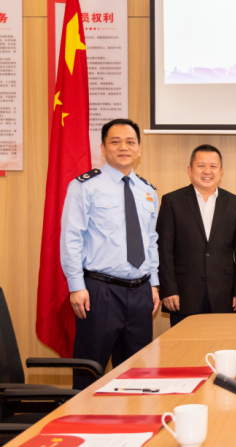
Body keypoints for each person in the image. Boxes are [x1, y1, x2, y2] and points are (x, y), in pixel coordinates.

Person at [61, 119, 160, 389]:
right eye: (115, 142)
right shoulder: (84, 186)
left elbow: (151, 241)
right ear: (103, 149)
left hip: (140, 293)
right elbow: (71, 238)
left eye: (130, 142)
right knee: (89, 370)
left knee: (137, 373)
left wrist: (153, 284)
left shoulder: (148, 191)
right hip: (99, 292)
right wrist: (76, 286)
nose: (123, 147)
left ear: (139, 149)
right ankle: (83, 415)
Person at [156, 144, 236, 327]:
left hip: (224, 294)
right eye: (201, 166)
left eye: (213, 166)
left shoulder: (235, 203)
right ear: (190, 170)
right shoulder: (172, 201)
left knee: (223, 342)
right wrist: (168, 289)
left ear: (221, 171)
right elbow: (164, 250)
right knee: (184, 344)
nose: (207, 171)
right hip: (183, 294)